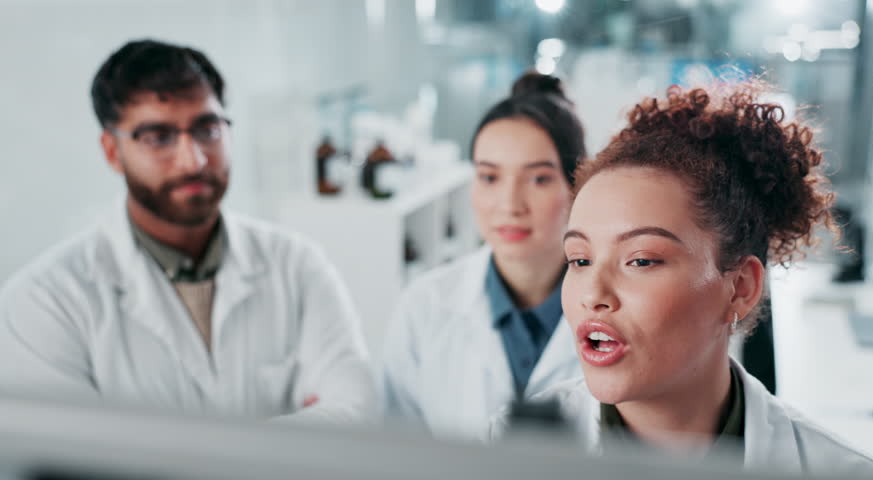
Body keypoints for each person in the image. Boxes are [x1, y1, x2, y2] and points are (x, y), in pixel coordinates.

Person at [0, 39, 376, 422]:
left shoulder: (297, 264)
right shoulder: (47, 301)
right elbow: (72, 460)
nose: (193, 159)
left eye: (207, 129)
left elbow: (354, 411)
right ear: (112, 151)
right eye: (158, 138)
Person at [550, 82, 873, 477]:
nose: (593, 294)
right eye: (579, 260)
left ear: (741, 288)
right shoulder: (501, 452)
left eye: (641, 261)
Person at [381, 72, 587, 440]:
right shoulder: (425, 307)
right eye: (490, 178)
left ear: (576, 185)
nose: (510, 205)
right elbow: (399, 452)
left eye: (538, 179)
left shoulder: (614, 309)